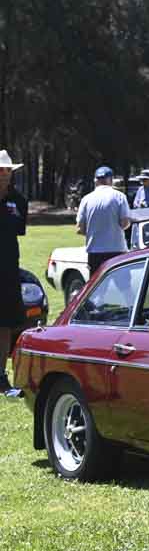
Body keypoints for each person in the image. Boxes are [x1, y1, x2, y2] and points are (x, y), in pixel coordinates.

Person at [0, 151, 28, 397]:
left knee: (6, 324)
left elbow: (20, 229)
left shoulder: (18, 201)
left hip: (8, 268)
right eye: (1, 170)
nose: (4, 175)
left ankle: (1, 376)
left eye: (8, 171)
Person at [76, 166, 131, 277]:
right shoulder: (120, 197)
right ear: (110, 180)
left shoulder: (86, 199)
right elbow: (124, 224)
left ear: (95, 180)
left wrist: (94, 232)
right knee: (122, 286)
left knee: (97, 288)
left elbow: (79, 229)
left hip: (94, 251)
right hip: (116, 249)